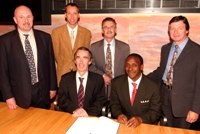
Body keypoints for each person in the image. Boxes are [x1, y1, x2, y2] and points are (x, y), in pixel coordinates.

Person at [0, 5, 57, 109]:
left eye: (29, 16)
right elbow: (2, 72)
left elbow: (51, 64)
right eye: (21, 17)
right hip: (18, 95)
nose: (26, 20)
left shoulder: (45, 38)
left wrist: (53, 87)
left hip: (43, 93)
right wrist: (8, 96)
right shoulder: (4, 42)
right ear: (15, 20)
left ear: (33, 18)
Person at [148, 15, 200, 129]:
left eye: (180, 28)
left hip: (185, 105)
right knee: (167, 130)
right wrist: (142, 78)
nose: (175, 32)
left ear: (187, 30)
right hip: (164, 97)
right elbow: (162, 70)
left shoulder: (197, 51)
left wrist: (195, 109)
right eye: (172, 28)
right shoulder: (165, 48)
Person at [110, 53, 161, 128]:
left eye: (134, 65)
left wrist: (140, 119)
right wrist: (119, 115)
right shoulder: (116, 83)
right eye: (127, 65)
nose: (130, 68)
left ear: (141, 67)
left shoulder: (153, 86)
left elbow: (155, 112)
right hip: (124, 124)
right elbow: (114, 104)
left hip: (145, 125)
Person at [58, 47, 106, 117]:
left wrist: (87, 113)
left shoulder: (98, 79)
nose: (81, 61)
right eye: (78, 57)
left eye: (85, 58)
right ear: (75, 61)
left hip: (89, 116)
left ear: (90, 61)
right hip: (70, 115)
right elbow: (61, 99)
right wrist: (75, 110)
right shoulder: (65, 79)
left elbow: (100, 100)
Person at [51, 3, 91, 85]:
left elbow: (85, 54)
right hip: (62, 73)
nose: (72, 17)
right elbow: (56, 55)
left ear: (79, 15)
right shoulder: (56, 33)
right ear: (65, 15)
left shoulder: (86, 33)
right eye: (69, 13)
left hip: (81, 74)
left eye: (75, 13)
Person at [90, 17, 130, 99]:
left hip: (119, 88)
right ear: (102, 30)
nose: (109, 29)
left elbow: (127, 68)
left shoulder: (125, 47)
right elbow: (91, 66)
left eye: (111, 27)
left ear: (115, 30)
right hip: (100, 86)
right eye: (105, 27)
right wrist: (103, 76)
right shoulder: (93, 47)